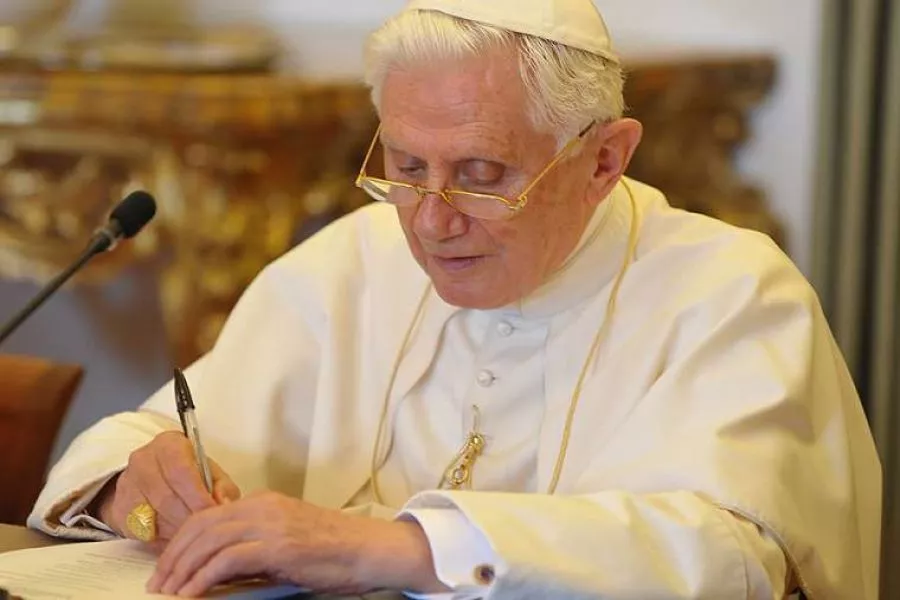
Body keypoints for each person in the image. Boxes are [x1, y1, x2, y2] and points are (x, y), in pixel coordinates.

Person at [29, 0, 881, 598]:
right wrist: (134, 484)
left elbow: (733, 561)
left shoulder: (732, 291)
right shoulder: (358, 257)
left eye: (481, 174)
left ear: (604, 160)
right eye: (406, 168)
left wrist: (400, 548)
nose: (432, 222)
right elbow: (154, 438)